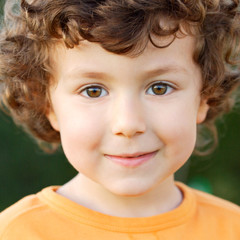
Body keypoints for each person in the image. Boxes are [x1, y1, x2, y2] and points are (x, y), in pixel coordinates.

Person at [0, 0, 240, 239]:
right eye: (93, 91)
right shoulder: (16, 232)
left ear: (204, 96)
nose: (128, 124)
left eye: (159, 88)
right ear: (47, 105)